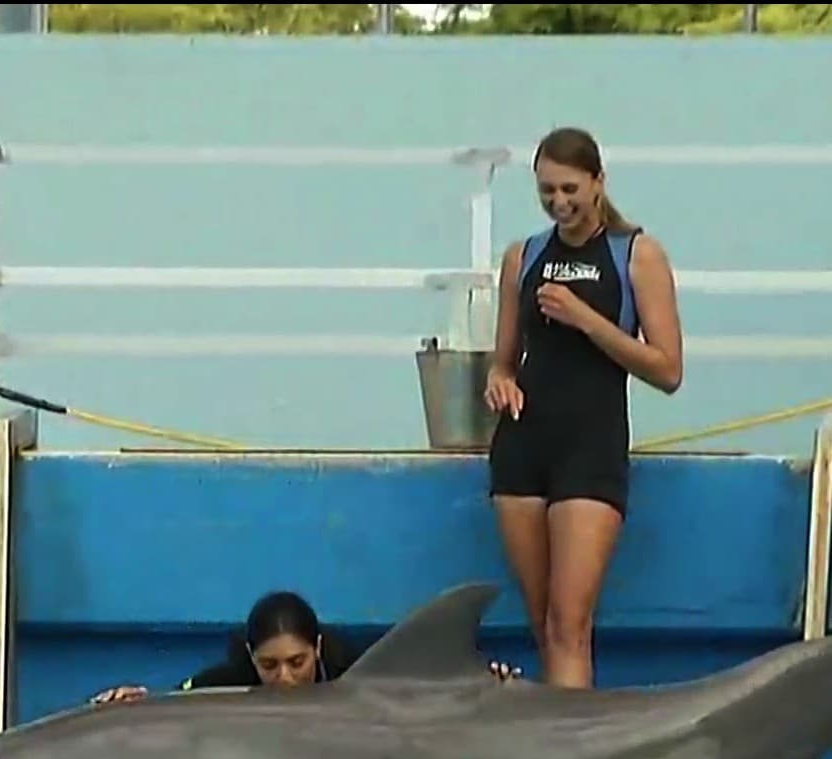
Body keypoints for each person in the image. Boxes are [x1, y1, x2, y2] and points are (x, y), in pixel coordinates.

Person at [484, 126, 683, 689]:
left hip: (590, 449)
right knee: (543, 625)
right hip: (523, 447)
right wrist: (499, 382)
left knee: (571, 623)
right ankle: (550, 745)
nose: (559, 203)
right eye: (547, 191)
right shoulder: (523, 257)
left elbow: (667, 370)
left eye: (570, 189)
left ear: (598, 183)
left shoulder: (636, 254)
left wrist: (585, 318)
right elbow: (502, 360)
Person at [91, 589, 522, 703]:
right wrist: (137, 702)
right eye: (269, 665)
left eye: (297, 662)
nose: (284, 677)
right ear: (249, 657)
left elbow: (423, 688)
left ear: (317, 647)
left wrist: (486, 683)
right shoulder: (232, 681)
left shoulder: (349, 666)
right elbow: (176, 706)